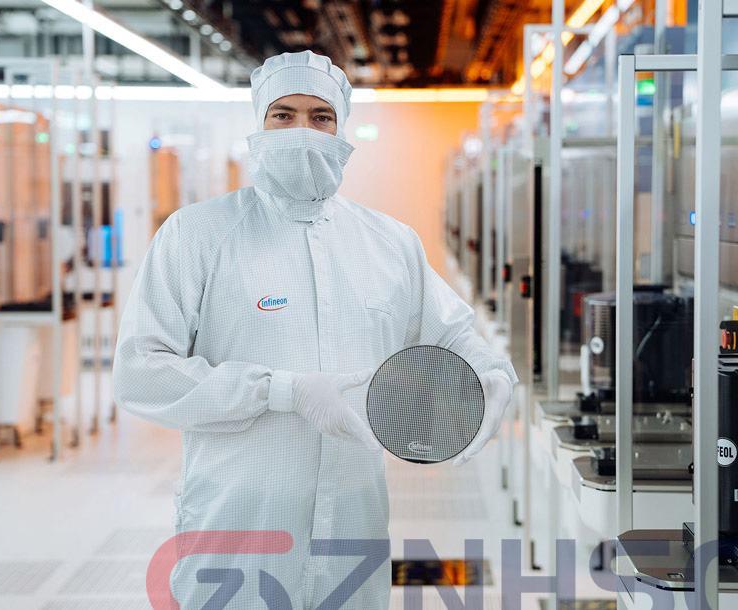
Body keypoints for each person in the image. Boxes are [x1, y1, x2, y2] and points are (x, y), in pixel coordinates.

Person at [112, 50, 517, 609]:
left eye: (320, 116)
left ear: (341, 127)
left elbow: (452, 334)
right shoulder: (197, 236)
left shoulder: (388, 243)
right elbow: (141, 372)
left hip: (353, 521)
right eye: (283, 114)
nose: (302, 130)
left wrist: (491, 374)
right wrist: (280, 390)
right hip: (241, 522)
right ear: (260, 123)